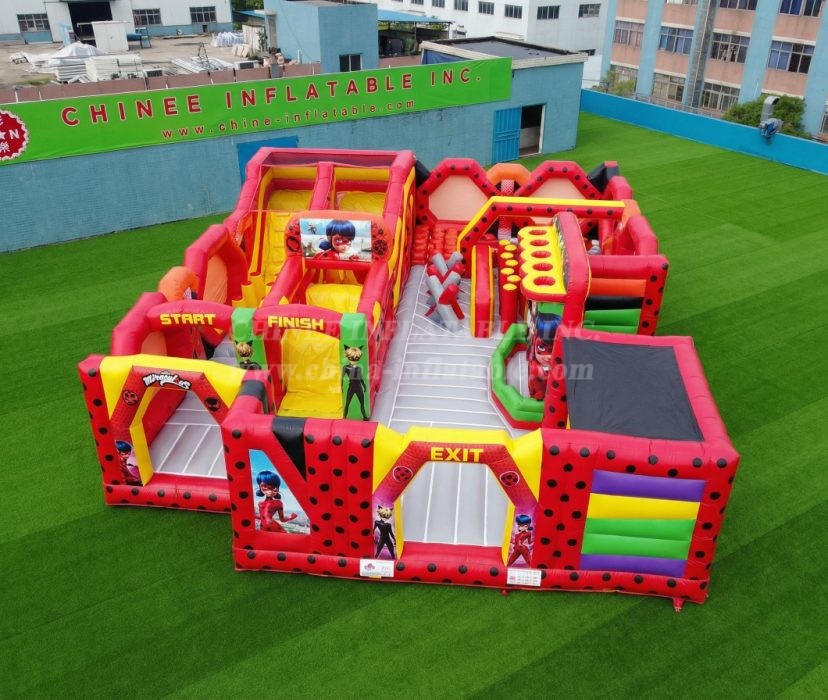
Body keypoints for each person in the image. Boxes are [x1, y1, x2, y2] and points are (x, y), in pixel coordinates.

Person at [342, 345, 368, 419]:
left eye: (356, 358)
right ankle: (344, 417)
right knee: (347, 403)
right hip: (351, 387)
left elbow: (360, 378)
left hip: (359, 387)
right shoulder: (346, 367)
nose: (353, 360)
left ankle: (365, 417)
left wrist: (364, 385)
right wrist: (341, 386)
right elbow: (342, 378)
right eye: (351, 358)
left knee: (362, 404)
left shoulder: (359, 368)